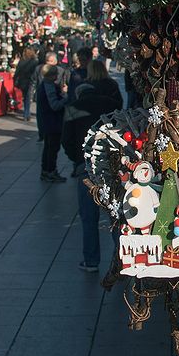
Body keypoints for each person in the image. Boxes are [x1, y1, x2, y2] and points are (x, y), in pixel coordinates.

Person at [61, 60, 124, 271]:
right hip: (110, 165)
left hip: (85, 167)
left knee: (89, 217)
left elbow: (67, 140)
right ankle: (121, 259)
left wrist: (77, 159)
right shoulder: (110, 103)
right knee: (115, 214)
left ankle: (91, 261)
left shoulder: (72, 108)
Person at [35, 63, 68, 183]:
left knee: (48, 147)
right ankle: (50, 171)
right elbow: (54, 105)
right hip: (52, 122)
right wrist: (66, 99)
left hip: (47, 121)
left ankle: (46, 171)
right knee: (52, 148)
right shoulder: (49, 87)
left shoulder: (43, 85)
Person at [13, 48, 40, 121]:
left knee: (25, 97)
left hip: (22, 81)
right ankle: (26, 114)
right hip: (30, 81)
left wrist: (15, 79)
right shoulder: (34, 61)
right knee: (28, 97)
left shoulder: (22, 61)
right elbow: (36, 72)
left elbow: (17, 71)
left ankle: (26, 113)